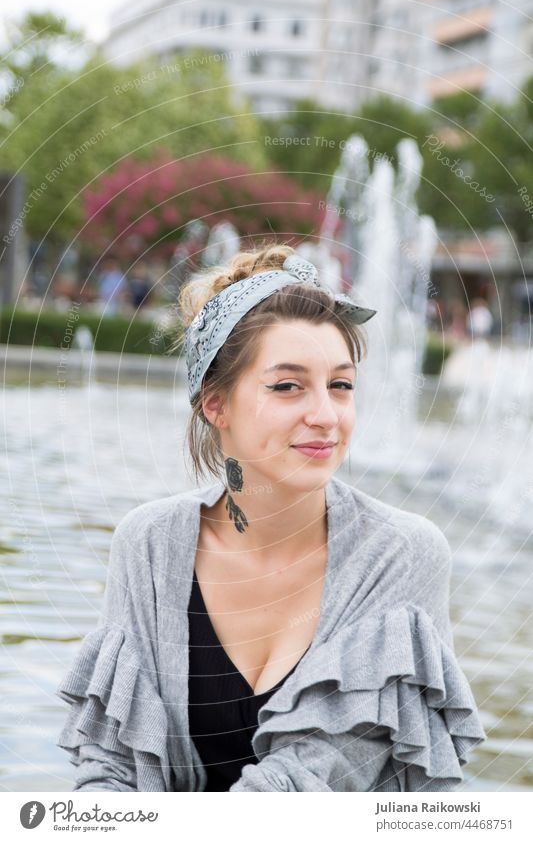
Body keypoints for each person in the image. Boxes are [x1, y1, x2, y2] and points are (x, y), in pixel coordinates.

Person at [55, 243, 485, 792]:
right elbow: (112, 762)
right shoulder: (149, 545)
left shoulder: (401, 553)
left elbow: (319, 775)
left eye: (341, 385)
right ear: (215, 403)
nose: (325, 416)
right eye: (287, 386)